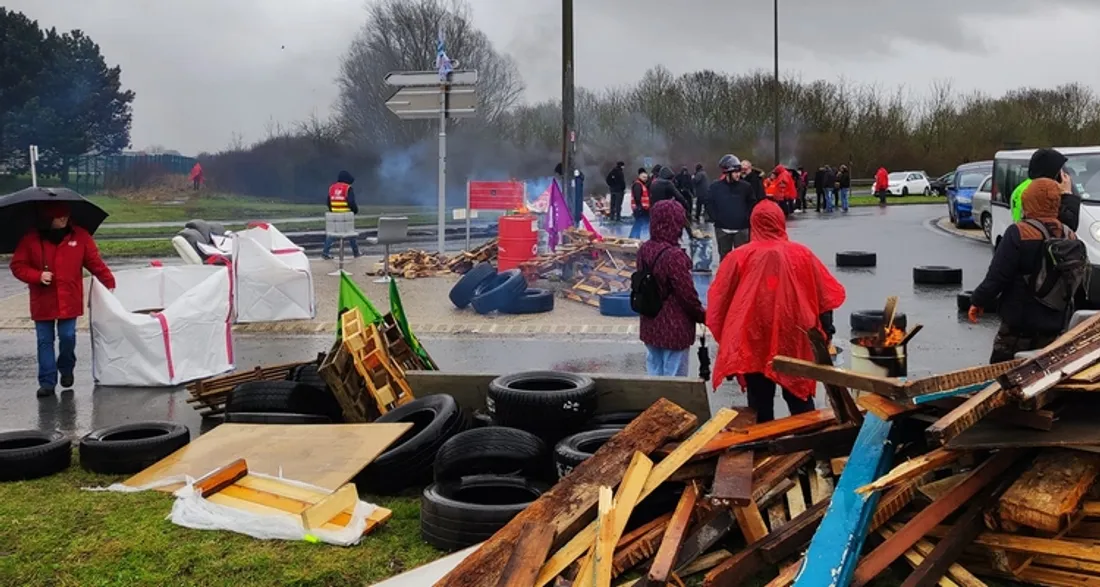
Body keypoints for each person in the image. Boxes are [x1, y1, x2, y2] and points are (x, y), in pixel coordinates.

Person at [707, 200, 846, 422]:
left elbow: (719, 301)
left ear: (754, 223)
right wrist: (826, 331)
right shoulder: (802, 255)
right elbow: (825, 297)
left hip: (753, 337)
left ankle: (765, 450)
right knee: (799, 398)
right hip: (795, 335)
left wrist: (729, 339)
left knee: (759, 401)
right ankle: (808, 446)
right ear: (781, 221)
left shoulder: (739, 257)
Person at [969, 178, 1088, 363]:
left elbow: (997, 276)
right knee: (1043, 375)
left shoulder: (1018, 233)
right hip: (1054, 326)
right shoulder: (1069, 235)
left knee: (1001, 376)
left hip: (1019, 326)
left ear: (1029, 202)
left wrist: (978, 301)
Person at [10, 202, 116, 398]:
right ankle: (47, 382)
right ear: (47, 219)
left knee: (68, 337)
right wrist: (37, 276)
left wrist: (109, 281)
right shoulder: (31, 238)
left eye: (66, 216)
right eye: (59, 218)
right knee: (44, 341)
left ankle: (66, 369)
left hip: (70, 299)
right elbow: (17, 266)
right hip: (43, 301)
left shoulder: (81, 236)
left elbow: (95, 263)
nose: (64, 220)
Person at [639, 200, 706, 376]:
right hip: (674, 327)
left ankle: (654, 403)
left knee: (654, 374)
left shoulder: (644, 249)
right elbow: (686, 294)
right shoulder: (674, 256)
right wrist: (701, 314)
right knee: (674, 382)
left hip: (650, 323)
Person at [1010, 148, 1081, 231]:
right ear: (1052, 172)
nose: (1062, 174)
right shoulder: (1043, 192)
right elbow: (1069, 224)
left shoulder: (1023, 188)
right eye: (1059, 170)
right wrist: (1066, 194)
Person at [705, 154, 756, 259]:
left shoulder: (746, 187)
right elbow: (709, 203)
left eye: (739, 172)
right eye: (735, 172)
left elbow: (752, 203)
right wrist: (715, 218)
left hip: (742, 229)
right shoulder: (716, 187)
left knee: (742, 258)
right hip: (722, 229)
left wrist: (746, 218)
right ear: (727, 172)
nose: (738, 175)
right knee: (724, 259)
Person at [322, 170, 360, 260]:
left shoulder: (332, 187)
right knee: (351, 234)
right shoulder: (348, 188)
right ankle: (356, 253)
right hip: (346, 214)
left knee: (332, 234)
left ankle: (325, 252)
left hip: (334, 215)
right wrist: (354, 211)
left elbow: (328, 202)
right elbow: (351, 202)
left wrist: (333, 210)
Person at [629, 168, 651, 239]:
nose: (645, 179)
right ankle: (633, 237)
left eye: (646, 178)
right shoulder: (638, 185)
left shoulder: (641, 184)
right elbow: (637, 197)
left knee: (639, 223)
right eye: (644, 177)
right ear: (639, 177)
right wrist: (639, 207)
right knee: (638, 223)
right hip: (639, 208)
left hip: (642, 208)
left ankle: (635, 237)